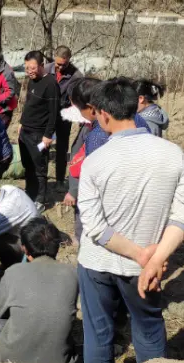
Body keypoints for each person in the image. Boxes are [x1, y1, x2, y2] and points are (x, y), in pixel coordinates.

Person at [77, 77, 184, 363]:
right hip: (143, 270)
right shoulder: (173, 154)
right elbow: (183, 216)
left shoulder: (96, 161)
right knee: (148, 325)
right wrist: (154, 259)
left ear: (103, 113)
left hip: (98, 262)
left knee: (97, 331)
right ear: (136, 105)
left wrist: (140, 256)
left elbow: (94, 227)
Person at [0, 217, 79, 363]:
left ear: (24, 248)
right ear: (58, 245)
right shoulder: (72, 274)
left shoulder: (13, 272)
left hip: (10, 360)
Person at [18, 51, 60, 212]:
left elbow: (54, 112)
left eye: (33, 68)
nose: (29, 71)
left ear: (42, 66)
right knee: (27, 165)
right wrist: (21, 123)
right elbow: (29, 105)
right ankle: (30, 193)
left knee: (39, 167)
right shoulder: (31, 80)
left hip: (39, 134)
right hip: (25, 131)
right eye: (27, 67)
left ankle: (40, 200)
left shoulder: (50, 83)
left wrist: (48, 135)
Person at [63, 77, 100, 240]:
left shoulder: (98, 134)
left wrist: (74, 190)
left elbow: (87, 165)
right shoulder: (89, 125)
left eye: (75, 106)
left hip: (88, 193)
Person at [44, 46, 83, 192]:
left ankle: (60, 180)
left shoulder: (76, 76)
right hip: (46, 113)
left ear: (69, 61)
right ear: (54, 57)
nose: (60, 67)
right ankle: (42, 178)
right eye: (58, 64)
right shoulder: (46, 69)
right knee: (43, 145)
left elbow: (77, 99)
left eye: (64, 65)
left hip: (63, 115)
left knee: (61, 148)